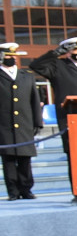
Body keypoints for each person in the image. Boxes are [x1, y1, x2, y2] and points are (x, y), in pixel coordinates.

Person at [29, 36, 77, 202]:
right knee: (76, 158)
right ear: (67, 51)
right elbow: (35, 66)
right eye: (75, 49)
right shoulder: (58, 66)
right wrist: (55, 53)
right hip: (70, 121)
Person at [0, 43, 43, 200]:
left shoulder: (27, 76)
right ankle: (13, 191)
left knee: (25, 159)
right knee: (9, 160)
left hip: (25, 124)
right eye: (8, 56)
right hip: (4, 126)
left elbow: (35, 100)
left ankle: (26, 189)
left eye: (14, 56)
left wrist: (38, 122)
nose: (11, 59)